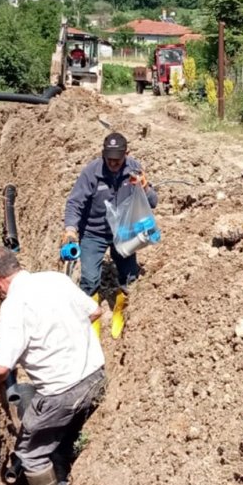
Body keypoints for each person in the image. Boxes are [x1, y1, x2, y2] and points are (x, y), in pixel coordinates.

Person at [0, 246, 106, 485]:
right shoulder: (56, 279)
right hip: (96, 377)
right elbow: (94, 312)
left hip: (62, 394)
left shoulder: (14, 307)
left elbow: (1, 368)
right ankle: (64, 460)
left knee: (31, 454)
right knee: (64, 431)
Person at [63, 132, 157, 339]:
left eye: (118, 159)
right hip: (93, 232)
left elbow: (152, 202)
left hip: (124, 232)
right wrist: (70, 229)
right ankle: (90, 320)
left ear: (127, 154)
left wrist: (145, 187)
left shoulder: (134, 169)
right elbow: (74, 203)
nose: (113, 163)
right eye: (109, 159)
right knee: (88, 279)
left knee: (130, 276)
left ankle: (121, 310)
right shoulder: (91, 173)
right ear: (103, 154)